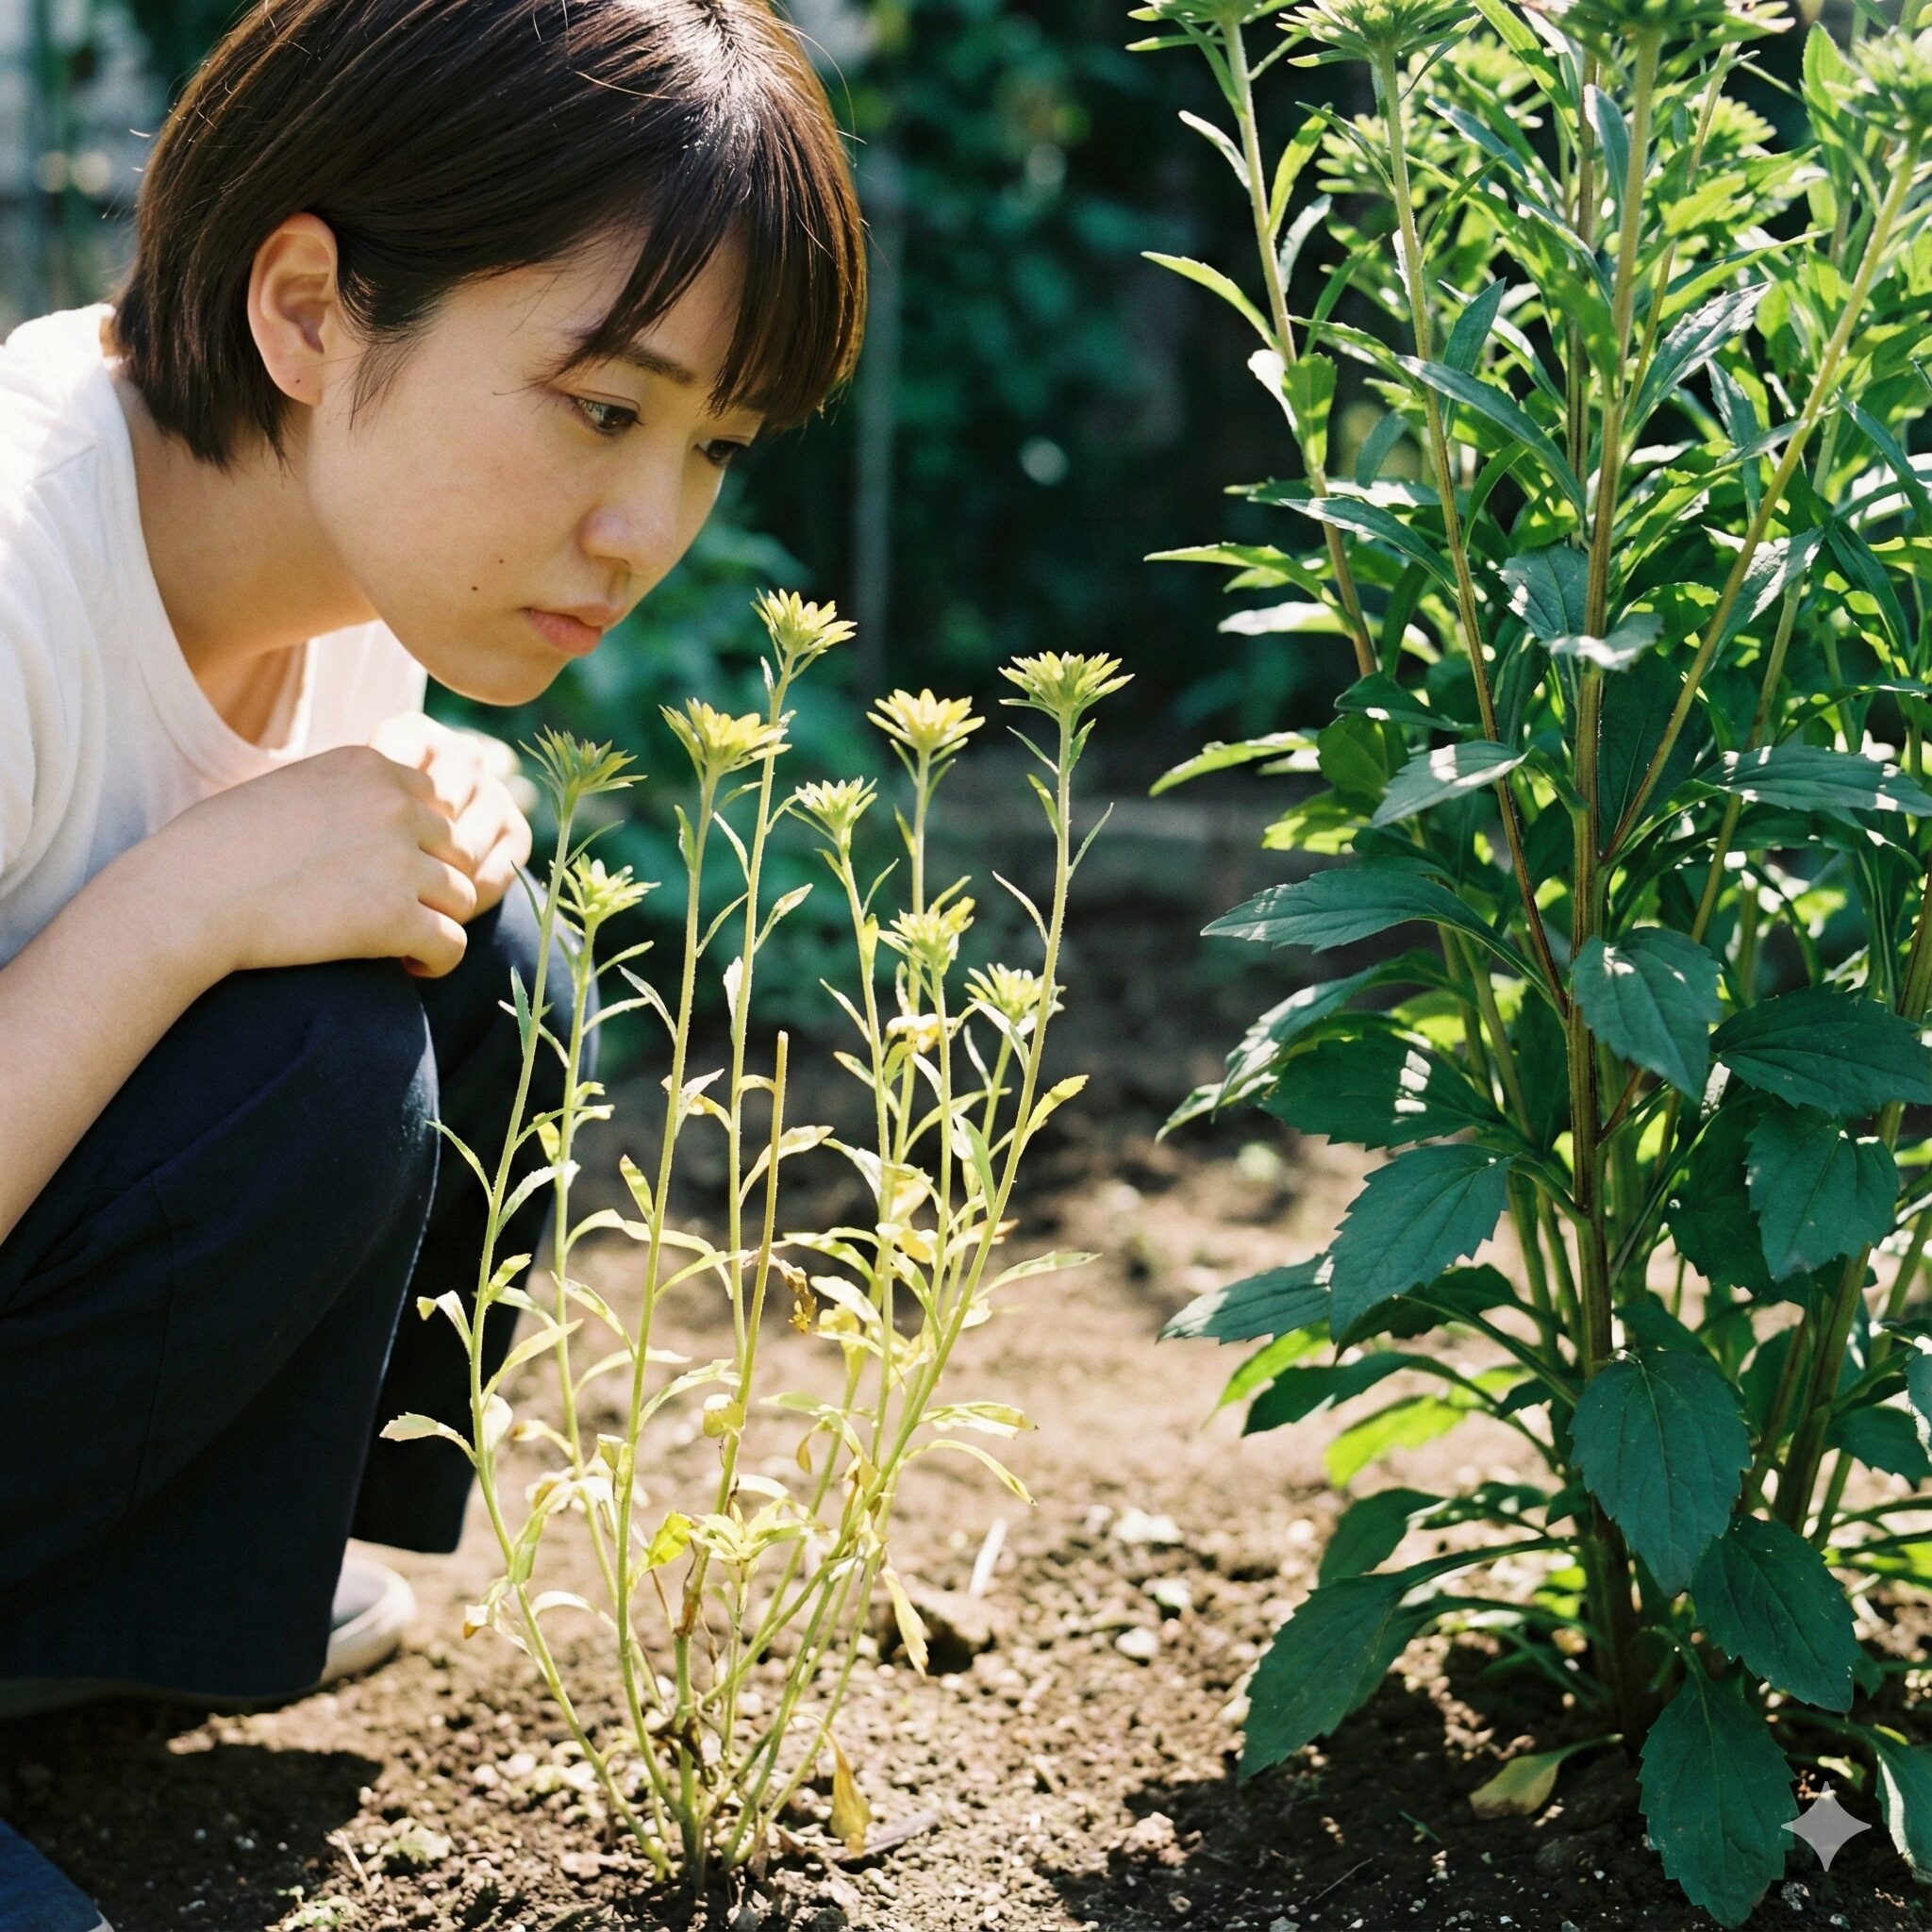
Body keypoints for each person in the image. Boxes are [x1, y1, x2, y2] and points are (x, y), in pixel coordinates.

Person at [0, 0, 864, 1915]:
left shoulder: (333, 560)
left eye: (711, 442)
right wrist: (186, 905)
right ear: (307, 310)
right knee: (321, 1034)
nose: (649, 526)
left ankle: (120, 1609)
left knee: (465, 953)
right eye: (603, 405)